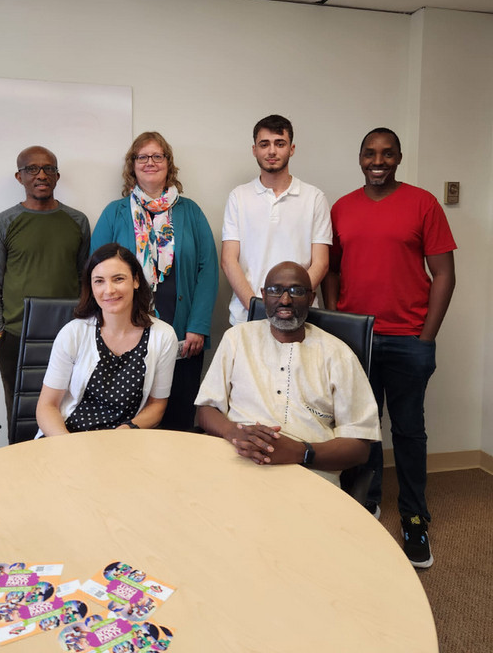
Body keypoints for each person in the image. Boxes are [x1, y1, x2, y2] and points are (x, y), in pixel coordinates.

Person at [323, 127, 456, 569]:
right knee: (362, 429)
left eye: (386, 153)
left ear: (399, 157)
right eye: (369, 153)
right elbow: (331, 272)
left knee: (408, 431)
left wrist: (426, 337)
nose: (377, 161)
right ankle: (367, 502)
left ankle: (415, 518)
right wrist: (337, 323)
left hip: (407, 339)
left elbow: (444, 275)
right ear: (359, 157)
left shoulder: (423, 204)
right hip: (357, 337)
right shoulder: (341, 208)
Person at [195, 261, 380, 487]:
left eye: (296, 291)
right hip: (237, 460)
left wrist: (301, 452)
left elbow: (360, 446)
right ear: (263, 295)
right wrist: (234, 432)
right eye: (275, 290)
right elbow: (205, 409)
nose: (285, 300)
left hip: (308, 473)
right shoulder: (237, 338)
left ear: (311, 298)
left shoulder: (337, 353)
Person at [90, 132, 218, 431]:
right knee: (132, 420)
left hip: (183, 332)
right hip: (127, 334)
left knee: (178, 419)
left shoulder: (191, 212)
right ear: (132, 165)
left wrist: (197, 326)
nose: (150, 162)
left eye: (157, 156)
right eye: (142, 157)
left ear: (168, 163)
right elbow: (94, 272)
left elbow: (208, 270)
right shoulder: (114, 212)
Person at [0, 146, 90, 432]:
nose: (41, 175)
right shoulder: (2, 224)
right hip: (16, 339)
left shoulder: (77, 221)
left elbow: (85, 280)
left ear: (57, 175)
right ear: (20, 177)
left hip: (70, 338)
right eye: (32, 169)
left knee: (69, 415)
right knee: (22, 420)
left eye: (48, 168)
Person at [36, 243, 178, 436]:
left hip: (124, 440)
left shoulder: (163, 336)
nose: (108, 290)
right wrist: (67, 445)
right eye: (99, 281)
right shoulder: (73, 333)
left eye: (118, 279)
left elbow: (157, 405)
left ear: (136, 281)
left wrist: (125, 432)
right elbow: (47, 406)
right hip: (66, 436)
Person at [221, 114, 332, 325]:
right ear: (254, 150)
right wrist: (257, 307)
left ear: (291, 149)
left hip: (301, 318)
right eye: (264, 144)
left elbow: (321, 262)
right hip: (247, 316)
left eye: (280, 143)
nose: (272, 151)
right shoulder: (239, 196)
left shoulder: (314, 197)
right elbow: (228, 261)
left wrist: (291, 304)